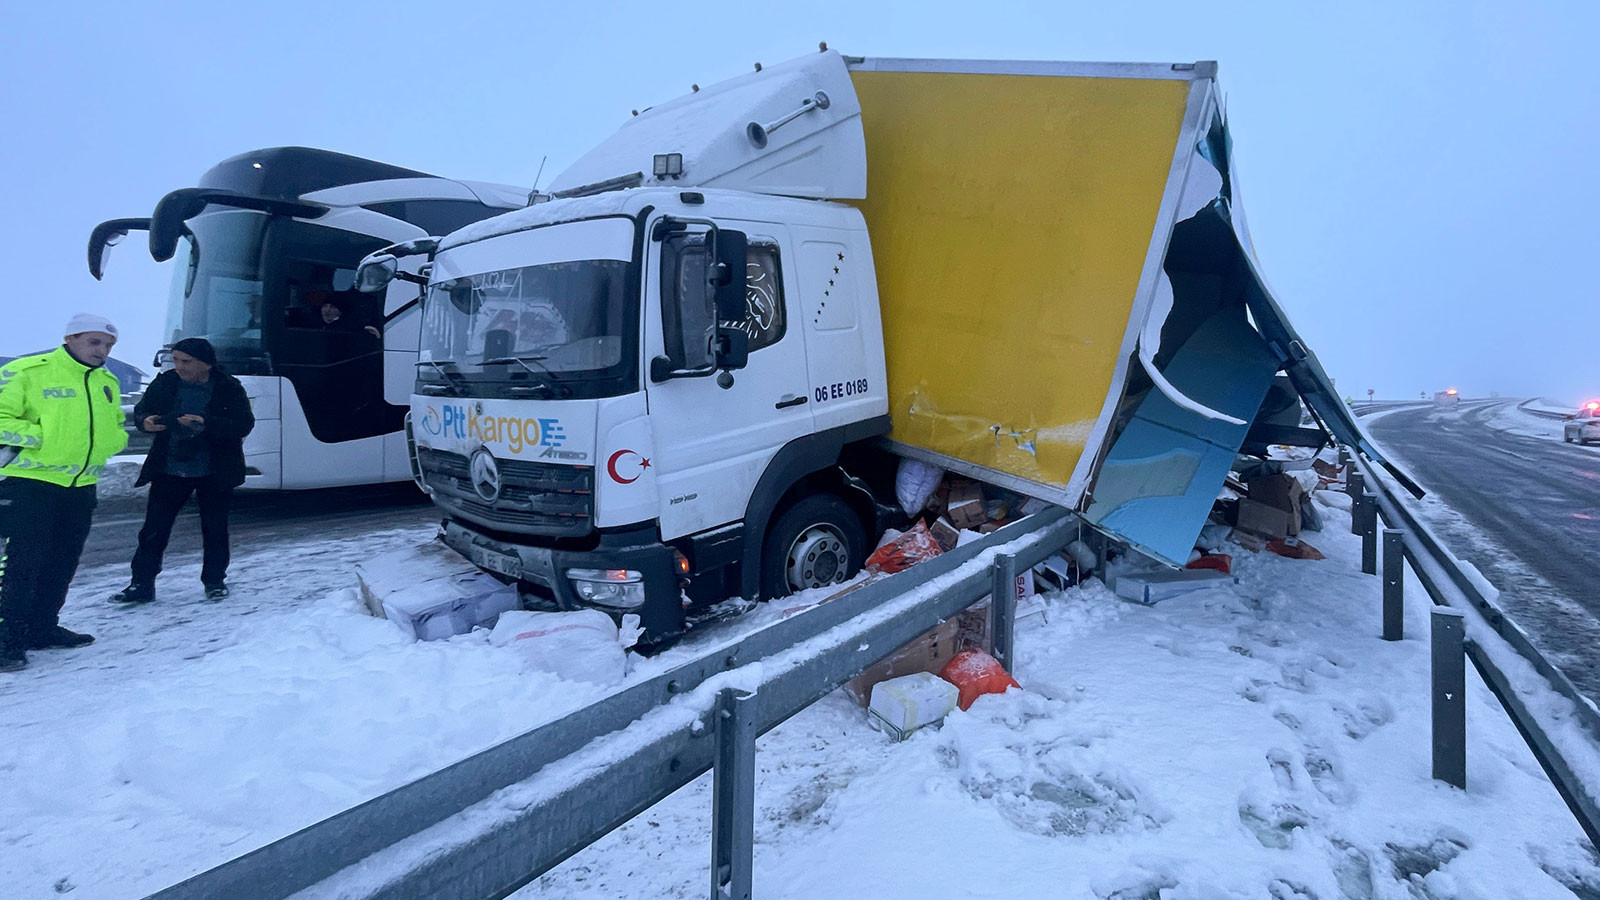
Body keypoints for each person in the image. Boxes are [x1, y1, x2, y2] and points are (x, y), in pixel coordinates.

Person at [0, 314, 129, 672]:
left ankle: (41, 628)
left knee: (61, 563)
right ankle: (6, 641)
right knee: (23, 566)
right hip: (32, 485)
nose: (102, 351)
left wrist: (113, 441)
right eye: (94, 342)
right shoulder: (28, 372)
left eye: (108, 345)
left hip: (81, 486)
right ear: (70, 338)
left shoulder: (107, 381)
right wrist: (45, 438)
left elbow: (116, 425)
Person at [109, 338, 254, 605]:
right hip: (170, 467)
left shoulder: (228, 386)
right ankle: (141, 585)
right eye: (175, 360)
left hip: (215, 469)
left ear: (206, 364)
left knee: (215, 529)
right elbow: (143, 411)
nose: (179, 366)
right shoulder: (166, 382)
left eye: (185, 361)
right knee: (153, 530)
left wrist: (205, 423)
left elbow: (244, 424)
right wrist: (146, 422)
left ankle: (214, 581)